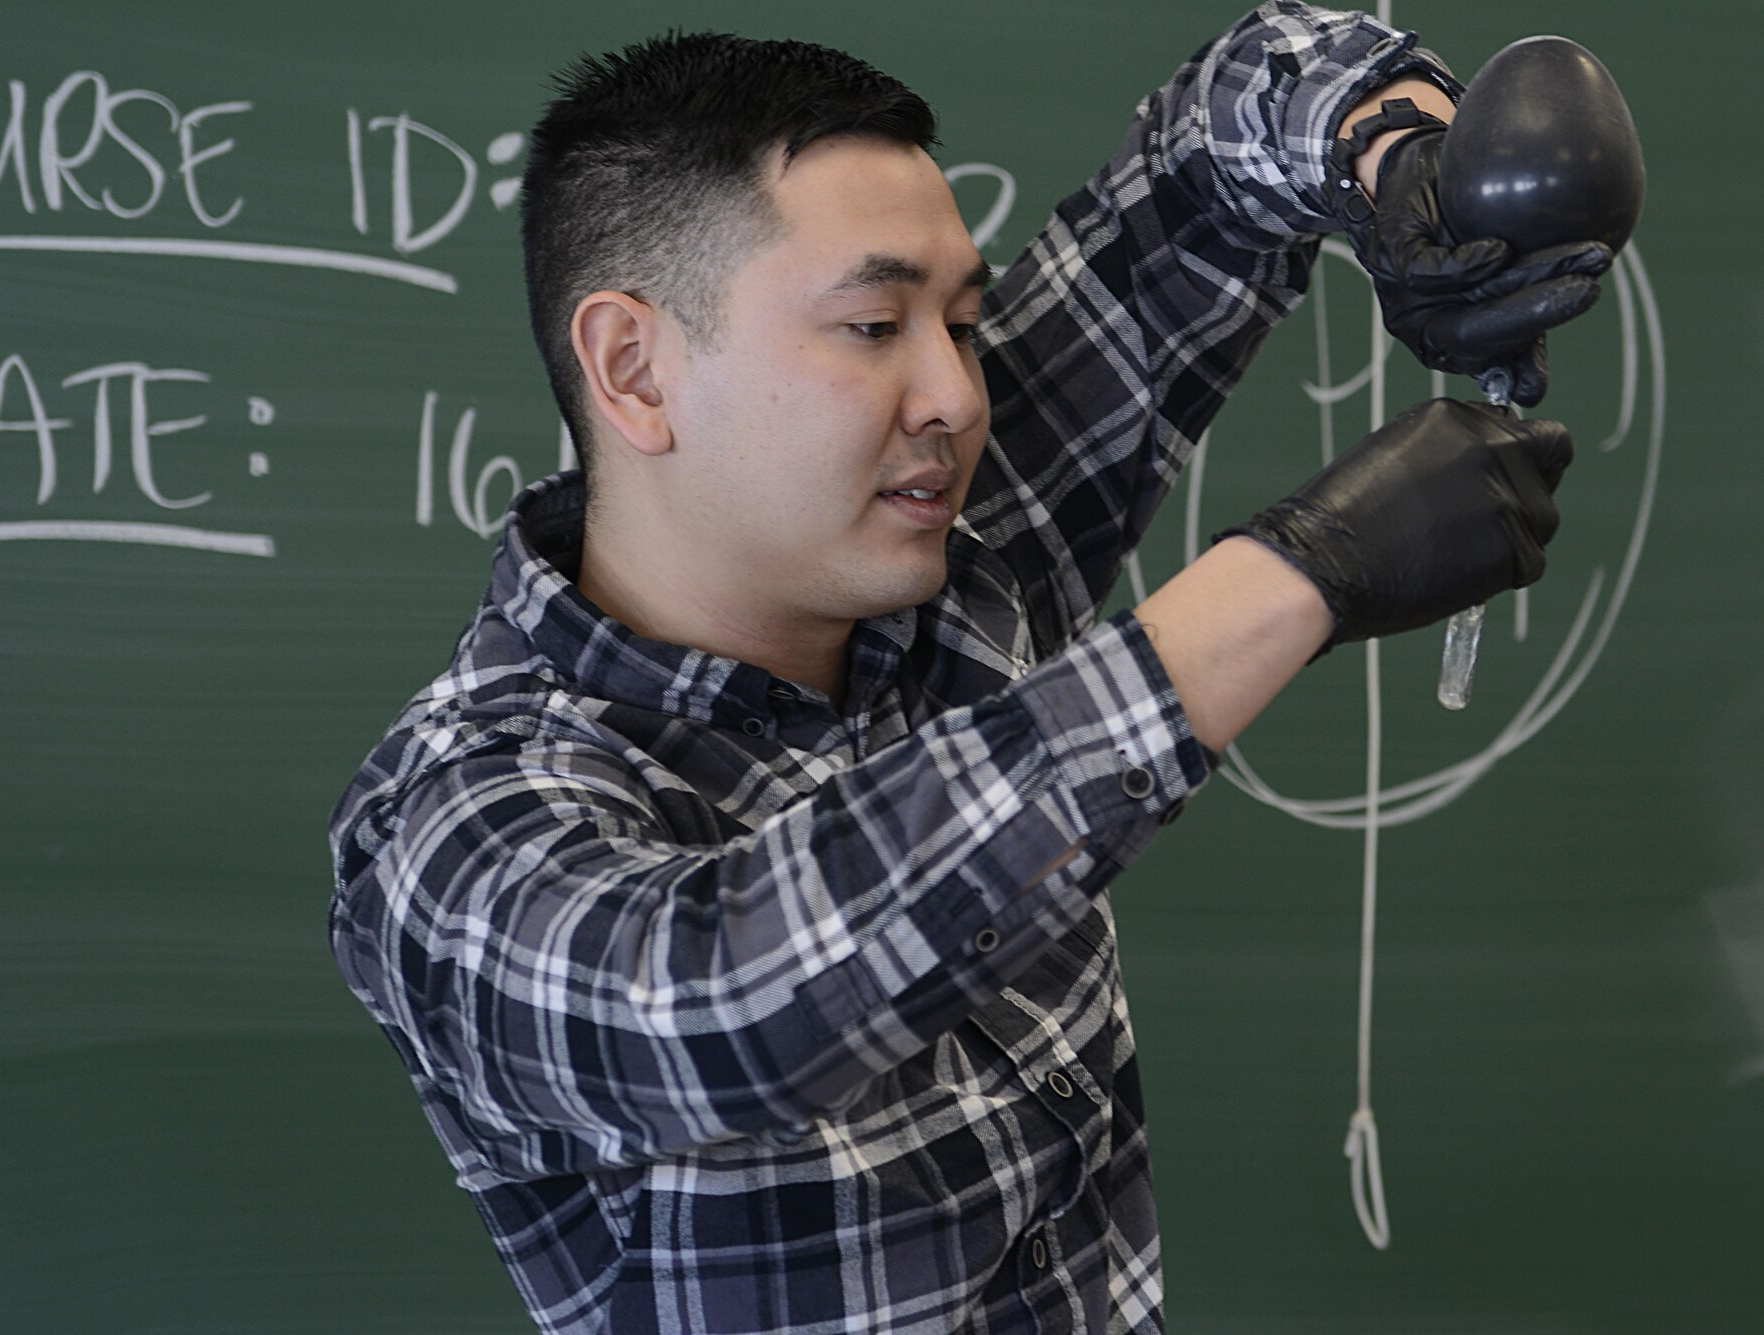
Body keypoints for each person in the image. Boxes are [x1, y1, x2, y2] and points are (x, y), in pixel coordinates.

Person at [328, 5, 1609, 1331]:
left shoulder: (943, 542)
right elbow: (723, 998)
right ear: (635, 369)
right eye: (876, 326)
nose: (956, 394)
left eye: (961, 320)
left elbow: (1218, 144)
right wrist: (1299, 570)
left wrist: (1392, 162)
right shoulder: (448, 831)